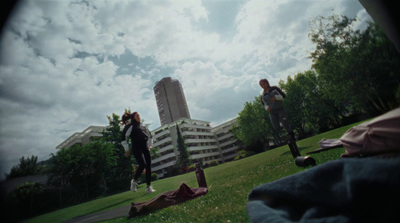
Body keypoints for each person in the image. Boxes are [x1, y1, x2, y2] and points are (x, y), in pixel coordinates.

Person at [259, 79, 300, 157]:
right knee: (276, 127)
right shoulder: (263, 95)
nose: (262, 86)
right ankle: (282, 128)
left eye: (263, 84)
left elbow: (283, 96)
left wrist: (276, 97)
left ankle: (292, 136)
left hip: (280, 109)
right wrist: (267, 108)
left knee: (285, 123)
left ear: (267, 83)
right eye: (260, 85)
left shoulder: (274, 88)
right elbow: (264, 104)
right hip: (272, 112)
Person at [121, 111, 156, 193]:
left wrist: (150, 145)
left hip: (145, 146)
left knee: (148, 166)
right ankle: (134, 181)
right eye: (137, 116)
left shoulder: (143, 126)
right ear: (133, 117)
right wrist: (126, 149)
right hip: (136, 147)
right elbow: (123, 138)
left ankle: (148, 187)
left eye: (139, 115)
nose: (139, 117)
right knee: (142, 164)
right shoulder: (129, 126)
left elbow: (150, 136)